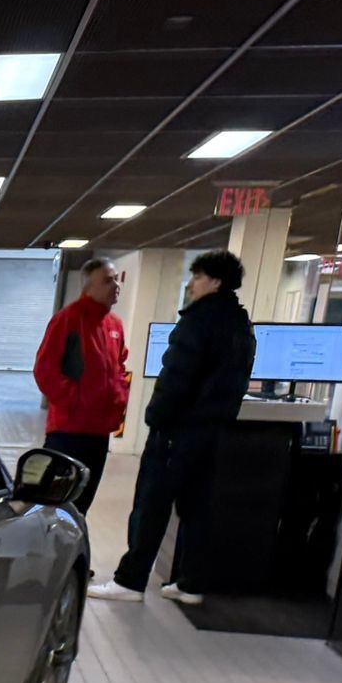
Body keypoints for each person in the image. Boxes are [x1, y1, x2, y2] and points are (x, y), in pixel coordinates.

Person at [88, 249, 256, 605]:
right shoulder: (241, 325)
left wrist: (156, 417)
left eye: (197, 277)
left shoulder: (197, 322)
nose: (191, 284)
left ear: (215, 281)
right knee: (196, 508)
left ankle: (130, 581)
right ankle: (190, 584)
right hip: (213, 433)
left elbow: (177, 378)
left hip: (177, 432)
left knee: (151, 505)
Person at [32, 256, 128, 514]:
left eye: (116, 279)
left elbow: (119, 367)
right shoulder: (68, 320)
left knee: (81, 506)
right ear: (88, 287)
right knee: (57, 505)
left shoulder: (114, 325)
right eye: (107, 281)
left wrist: (119, 398)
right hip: (68, 433)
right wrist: (76, 402)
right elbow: (45, 371)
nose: (116, 285)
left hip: (99, 433)